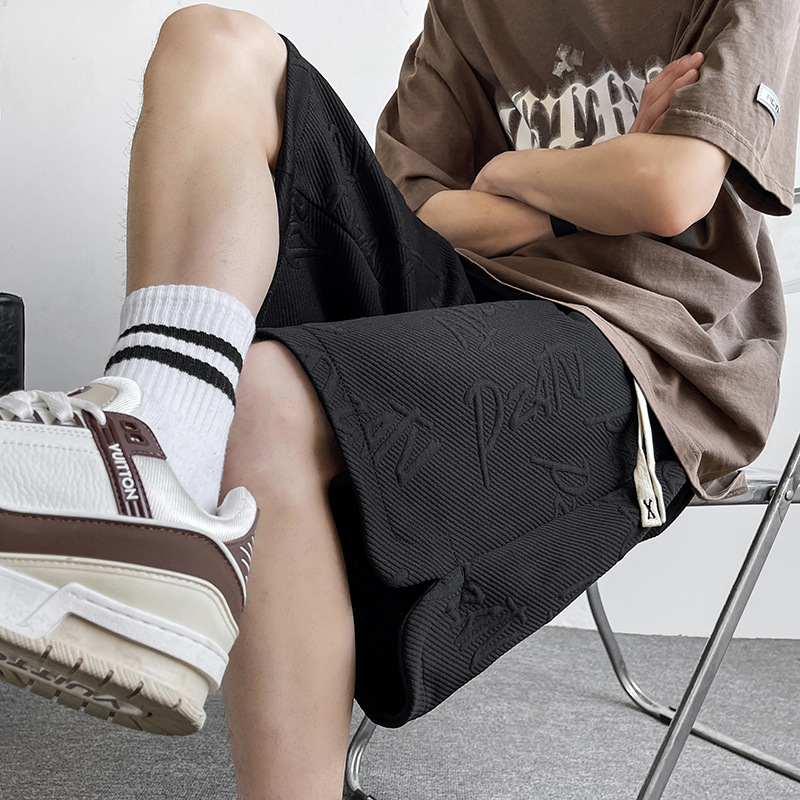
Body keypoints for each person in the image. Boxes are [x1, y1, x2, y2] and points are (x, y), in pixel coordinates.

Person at [0, 1, 797, 798]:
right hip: (466, 293)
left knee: (269, 399)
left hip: (647, 342)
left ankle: (163, 503)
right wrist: (598, 175)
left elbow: (670, 191)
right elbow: (426, 211)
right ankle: (159, 449)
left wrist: (506, 174)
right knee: (210, 42)